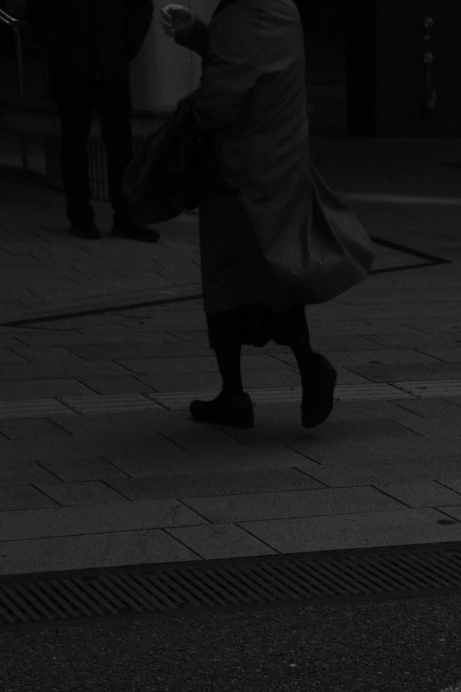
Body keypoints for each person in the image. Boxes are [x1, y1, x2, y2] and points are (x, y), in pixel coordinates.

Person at [160, 0, 374, 430]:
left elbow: (221, 99)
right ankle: (307, 366)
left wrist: (189, 120)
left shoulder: (242, 15)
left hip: (240, 172)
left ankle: (235, 392)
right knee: (275, 280)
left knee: (225, 278)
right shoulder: (283, 8)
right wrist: (198, 32)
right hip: (282, 165)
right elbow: (248, 58)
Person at [29, 0, 160, 241]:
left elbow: (140, 9)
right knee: (76, 143)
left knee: (118, 145)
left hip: (107, 65)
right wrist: (61, 49)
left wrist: (125, 48)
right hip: (78, 67)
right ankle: (83, 217)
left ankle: (122, 217)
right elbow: (39, 12)